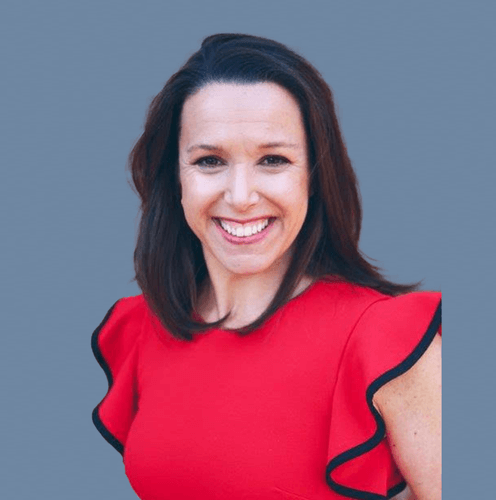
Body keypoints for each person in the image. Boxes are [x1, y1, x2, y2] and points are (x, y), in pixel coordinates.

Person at [91, 34, 441, 500]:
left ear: (313, 176)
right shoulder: (139, 328)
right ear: (175, 178)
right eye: (209, 160)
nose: (240, 196)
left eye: (273, 160)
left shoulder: (386, 339)